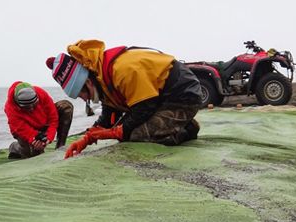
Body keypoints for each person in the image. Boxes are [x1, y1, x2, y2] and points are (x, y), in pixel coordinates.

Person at [46, 40, 202, 159]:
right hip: (159, 99)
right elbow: (108, 116)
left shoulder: (121, 70)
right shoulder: (101, 77)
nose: (83, 99)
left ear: (87, 83)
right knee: (124, 130)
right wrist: (86, 138)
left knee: (134, 135)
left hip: (182, 95)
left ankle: (186, 128)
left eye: (81, 94)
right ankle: (175, 124)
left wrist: (118, 132)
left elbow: (144, 107)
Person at [4, 81, 73, 159]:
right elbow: (21, 128)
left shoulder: (41, 93)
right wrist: (35, 139)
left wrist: (49, 137)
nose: (31, 109)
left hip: (43, 123)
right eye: (27, 107)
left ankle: (60, 146)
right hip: (23, 130)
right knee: (32, 155)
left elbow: (53, 118)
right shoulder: (10, 108)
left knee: (66, 107)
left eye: (34, 105)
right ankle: (15, 147)